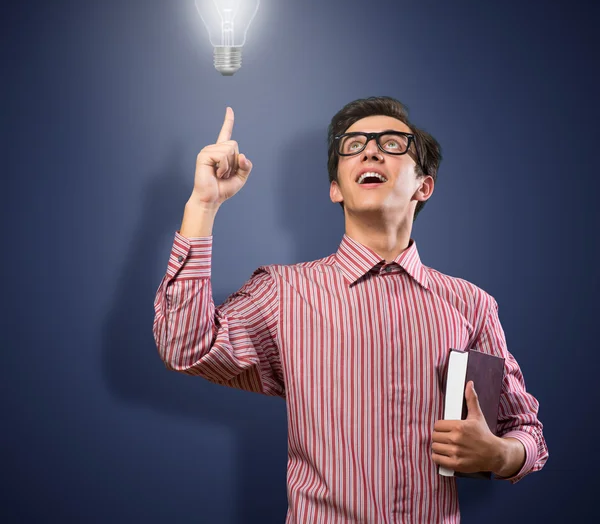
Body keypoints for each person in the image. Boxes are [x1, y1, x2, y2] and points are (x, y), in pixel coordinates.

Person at [153, 96, 548, 523]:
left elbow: (526, 431)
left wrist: (501, 453)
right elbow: (184, 347)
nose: (371, 150)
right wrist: (202, 206)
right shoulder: (284, 292)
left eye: (393, 143)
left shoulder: (470, 304)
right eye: (353, 144)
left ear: (423, 185)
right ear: (336, 188)